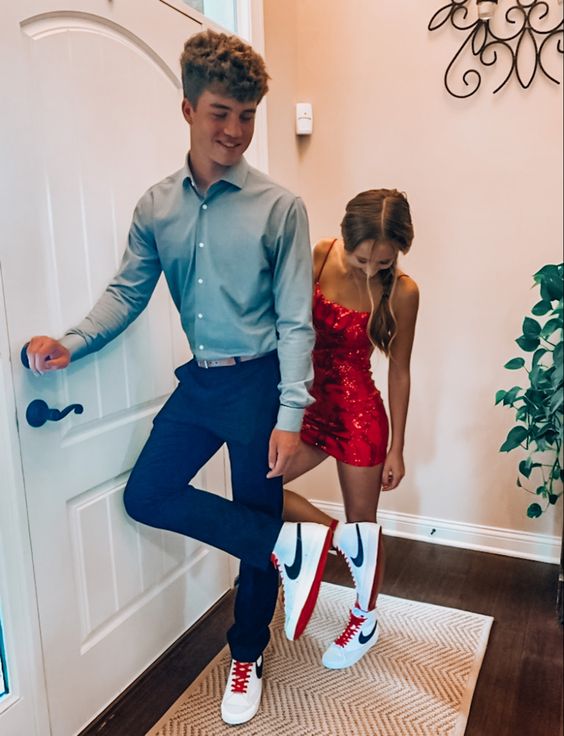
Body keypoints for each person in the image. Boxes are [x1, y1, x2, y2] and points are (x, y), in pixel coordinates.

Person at [24, 30, 337, 727]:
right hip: (200, 384)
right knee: (149, 493)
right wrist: (71, 343)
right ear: (189, 108)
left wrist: (291, 415)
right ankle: (286, 546)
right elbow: (127, 292)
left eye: (247, 115)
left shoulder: (280, 207)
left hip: (260, 387)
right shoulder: (156, 207)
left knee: (255, 516)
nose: (235, 130)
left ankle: (247, 653)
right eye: (221, 112)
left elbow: (296, 322)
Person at [280, 189, 419, 669]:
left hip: (359, 414)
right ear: (345, 238)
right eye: (362, 260)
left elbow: (399, 370)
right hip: (306, 407)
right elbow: (286, 327)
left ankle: (365, 618)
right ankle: (333, 539)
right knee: (257, 488)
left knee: (366, 525)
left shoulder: (404, 291)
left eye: (384, 262)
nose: (371, 270)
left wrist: (398, 448)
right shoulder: (320, 256)